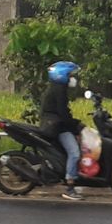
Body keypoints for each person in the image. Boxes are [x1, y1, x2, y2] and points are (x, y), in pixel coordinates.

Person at [41, 60, 86, 201]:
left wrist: (75, 125)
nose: (73, 78)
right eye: (71, 75)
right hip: (56, 128)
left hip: (56, 125)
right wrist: (77, 126)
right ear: (62, 75)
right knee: (74, 153)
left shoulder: (57, 88)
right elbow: (63, 114)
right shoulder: (58, 90)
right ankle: (70, 187)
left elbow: (64, 113)